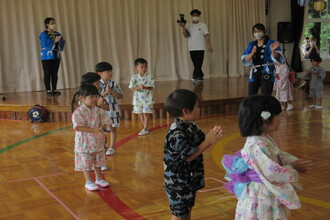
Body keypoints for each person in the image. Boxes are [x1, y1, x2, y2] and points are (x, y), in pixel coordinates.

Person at [222, 95, 313, 220]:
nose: (280, 119)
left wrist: (293, 162)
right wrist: (292, 167)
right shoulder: (256, 145)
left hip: (265, 189)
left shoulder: (263, 138)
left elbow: (278, 154)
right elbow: (271, 172)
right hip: (261, 193)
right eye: (278, 115)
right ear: (265, 119)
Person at [163, 89, 223, 220]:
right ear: (185, 111)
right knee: (179, 214)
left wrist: (210, 136)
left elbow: (201, 140)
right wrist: (208, 141)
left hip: (188, 179)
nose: (199, 109)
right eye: (197, 106)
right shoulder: (176, 133)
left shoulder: (190, 126)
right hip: (177, 182)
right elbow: (188, 156)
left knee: (187, 209)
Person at [72, 84, 112, 191]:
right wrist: (94, 130)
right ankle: (88, 181)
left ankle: (99, 178)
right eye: (91, 97)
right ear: (82, 98)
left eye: (96, 96)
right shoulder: (78, 112)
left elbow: (106, 119)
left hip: (97, 141)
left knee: (98, 160)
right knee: (87, 162)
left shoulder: (98, 110)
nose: (94, 99)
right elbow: (78, 127)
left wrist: (101, 127)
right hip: (85, 142)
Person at [242, 23, 285, 96]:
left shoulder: (271, 43)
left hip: (267, 71)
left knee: (266, 94)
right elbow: (245, 59)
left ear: (264, 31)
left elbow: (277, 57)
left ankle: (266, 107)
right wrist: (252, 53)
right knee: (251, 94)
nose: (257, 33)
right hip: (255, 72)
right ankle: (254, 107)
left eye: (259, 31)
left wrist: (273, 51)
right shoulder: (252, 44)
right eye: (255, 32)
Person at [96, 62, 123, 155]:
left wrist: (111, 91)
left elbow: (120, 96)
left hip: (113, 109)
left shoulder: (114, 83)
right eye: (108, 71)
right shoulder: (97, 84)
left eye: (111, 71)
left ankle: (111, 147)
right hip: (102, 110)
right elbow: (96, 97)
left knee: (113, 128)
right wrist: (105, 92)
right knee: (102, 129)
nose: (110, 73)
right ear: (100, 73)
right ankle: (102, 146)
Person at [179, 9, 213, 83]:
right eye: (194, 15)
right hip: (191, 48)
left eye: (197, 15)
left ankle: (195, 76)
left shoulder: (203, 25)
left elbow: (206, 36)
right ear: (191, 16)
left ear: (199, 16)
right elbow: (186, 35)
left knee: (198, 63)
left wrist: (209, 46)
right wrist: (183, 27)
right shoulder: (188, 25)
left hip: (201, 47)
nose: (195, 17)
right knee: (195, 64)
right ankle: (200, 76)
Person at [39, 17, 65, 96]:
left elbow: (62, 42)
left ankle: (54, 89)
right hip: (46, 56)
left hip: (56, 56)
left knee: (54, 73)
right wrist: (55, 41)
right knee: (47, 73)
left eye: (54, 23)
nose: (53, 24)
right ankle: (48, 90)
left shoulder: (57, 34)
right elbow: (44, 43)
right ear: (47, 24)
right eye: (51, 23)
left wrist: (60, 41)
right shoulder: (43, 34)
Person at [128, 58, 155, 136]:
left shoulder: (150, 77)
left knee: (146, 113)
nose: (144, 68)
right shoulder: (134, 78)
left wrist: (145, 87)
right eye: (142, 67)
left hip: (147, 98)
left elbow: (152, 87)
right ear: (136, 68)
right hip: (138, 99)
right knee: (140, 113)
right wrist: (139, 87)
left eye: (145, 67)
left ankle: (145, 128)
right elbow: (132, 88)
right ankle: (145, 127)